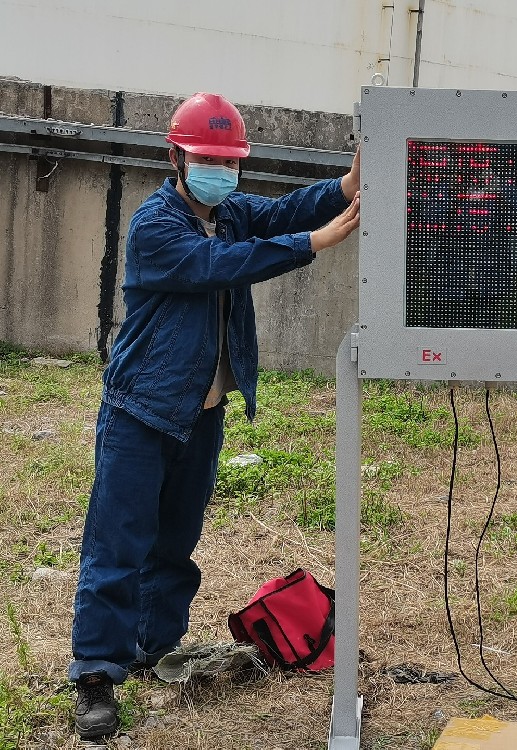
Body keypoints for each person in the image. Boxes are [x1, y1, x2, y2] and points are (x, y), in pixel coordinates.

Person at [69, 92, 361, 740]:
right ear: (176, 157)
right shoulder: (156, 226)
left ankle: (150, 647)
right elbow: (216, 267)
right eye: (207, 159)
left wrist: (345, 185)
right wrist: (311, 243)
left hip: (199, 414)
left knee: (175, 546)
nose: (220, 172)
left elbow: (281, 209)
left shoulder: (228, 214)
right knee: (117, 549)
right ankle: (95, 675)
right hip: (141, 412)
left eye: (229, 162)